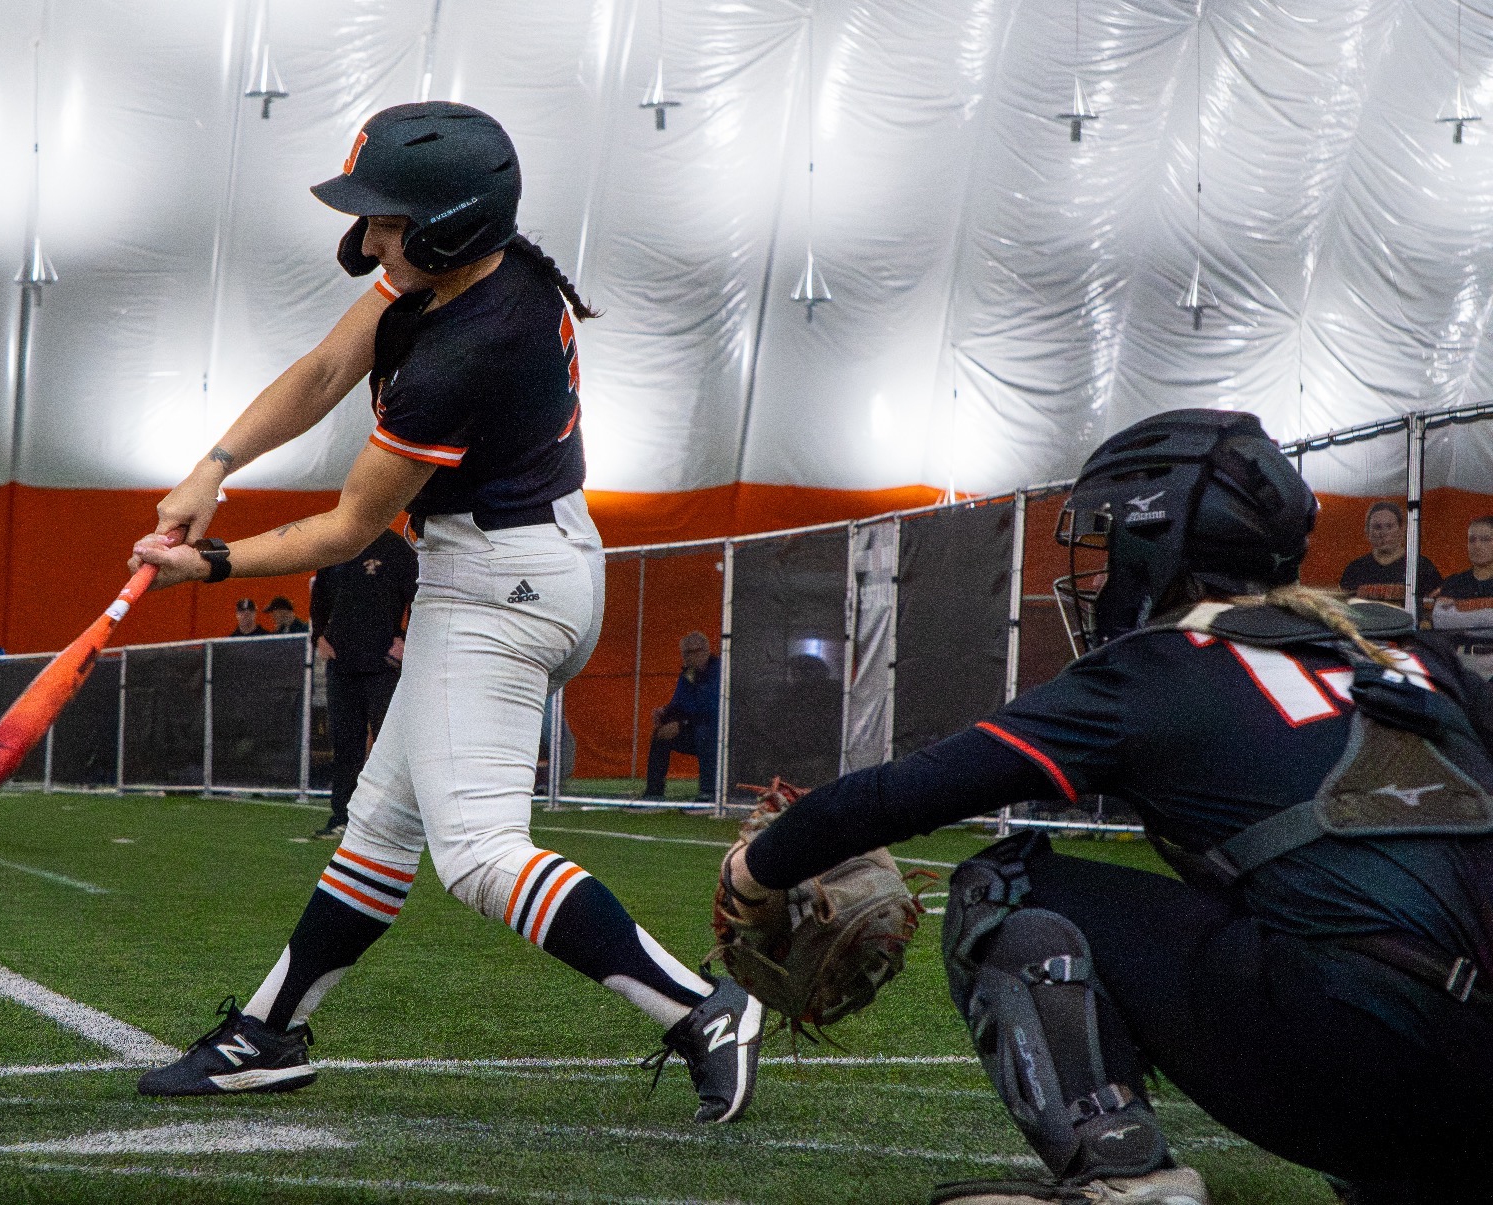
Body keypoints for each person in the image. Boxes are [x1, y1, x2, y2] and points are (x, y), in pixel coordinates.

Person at [127, 102, 761, 1122]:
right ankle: (267, 1032)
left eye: (386, 221)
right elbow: (325, 369)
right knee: (378, 830)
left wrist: (204, 562)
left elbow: (346, 529)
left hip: (505, 590)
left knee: (475, 854)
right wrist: (214, 467)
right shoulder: (457, 274)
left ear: (448, 226)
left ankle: (701, 1009)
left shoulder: (472, 345)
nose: (369, 238)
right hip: (510, 567)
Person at [721, 409, 1493, 1205]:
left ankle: (1128, 1172)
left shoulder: (1157, 667)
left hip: (1356, 1055)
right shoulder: (1413, 651)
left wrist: (755, 869)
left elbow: (904, 792)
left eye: (1109, 541)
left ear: (1153, 541)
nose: (1102, 569)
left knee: (1003, 885)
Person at [309, 527, 418, 839]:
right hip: (341, 663)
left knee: (387, 745)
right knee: (344, 745)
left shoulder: (398, 550)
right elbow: (320, 597)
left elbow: (420, 600)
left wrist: (405, 641)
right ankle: (342, 817)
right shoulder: (339, 543)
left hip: (382, 664)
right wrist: (320, 637)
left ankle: (390, 822)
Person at [641, 631, 720, 801]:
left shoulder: (719, 672)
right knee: (660, 736)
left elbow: (713, 711)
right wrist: (664, 713)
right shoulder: (688, 675)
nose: (690, 658)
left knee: (704, 733)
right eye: (686, 654)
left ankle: (709, 792)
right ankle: (653, 792)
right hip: (695, 729)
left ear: (706, 651)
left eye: (694, 652)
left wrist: (682, 724)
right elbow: (679, 704)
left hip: (719, 735)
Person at [1340, 500, 1441, 610]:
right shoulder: (1355, 568)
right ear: (1367, 532)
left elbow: (1433, 605)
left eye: (1389, 526)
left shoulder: (1421, 566)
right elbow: (1343, 607)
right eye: (1377, 527)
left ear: (1401, 529)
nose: (1383, 533)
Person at [1433, 516, 1493, 682]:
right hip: (1460, 664)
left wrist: (1460, 615)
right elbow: (1442, 621)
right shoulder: (1455, 582)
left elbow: (1454, 620)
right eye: (1472, 540)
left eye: (1486, 539)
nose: (1477, 545)